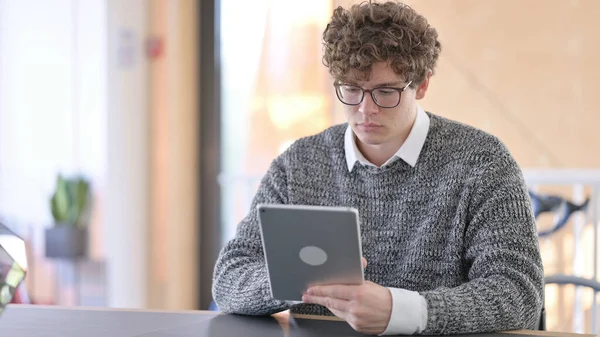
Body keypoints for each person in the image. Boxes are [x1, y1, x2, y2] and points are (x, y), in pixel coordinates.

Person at [212, 1, 544, 335]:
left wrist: (404, 311)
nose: (365, 109)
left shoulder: (482, 161)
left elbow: (518, 293)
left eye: (386, 92)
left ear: (423, 84)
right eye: (351, 89)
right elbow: (229, 278)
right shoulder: (298, 164)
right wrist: (294, 277)